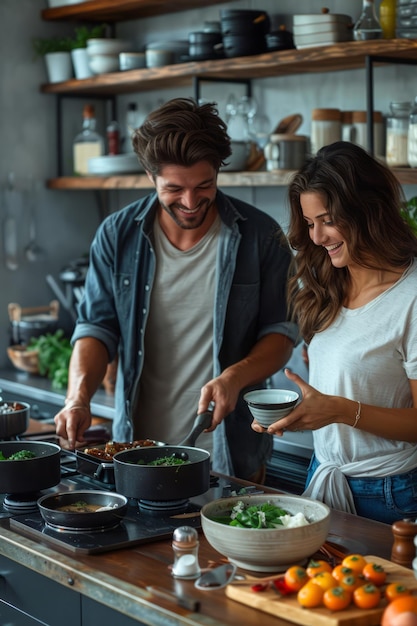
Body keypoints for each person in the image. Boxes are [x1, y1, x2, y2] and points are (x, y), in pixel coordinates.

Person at [54, 97, 297, 482]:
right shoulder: (117, 235)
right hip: (136, 454)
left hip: (231, 453)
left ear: (218, 171)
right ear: (150, 176)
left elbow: (280, 334)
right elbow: (96, 329)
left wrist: (234, 377)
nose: (190, 202)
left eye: (205, 185)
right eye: (173, 188)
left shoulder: (260, 235)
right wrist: (77, 398)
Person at [252, 141, 417, 522]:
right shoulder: (327, 288)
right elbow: (341, 390)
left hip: (389, 494)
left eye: (327, 220)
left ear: (367, 210)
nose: (316, 237)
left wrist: (341, 411)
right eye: (310, 223)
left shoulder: (409, 298)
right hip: (323, 473)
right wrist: (294, 414)